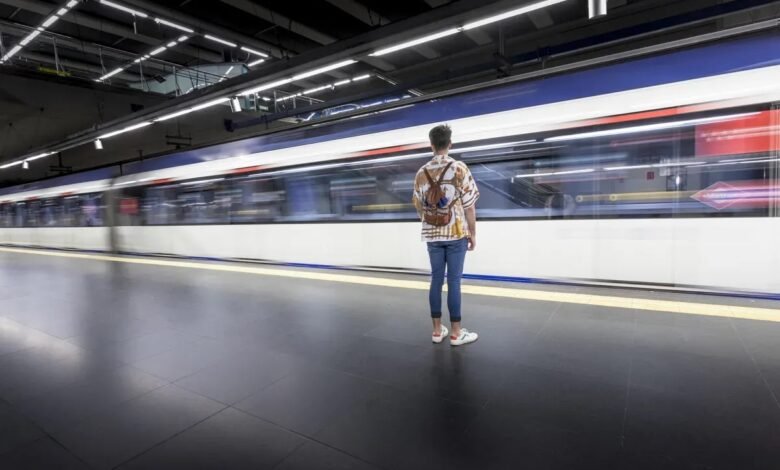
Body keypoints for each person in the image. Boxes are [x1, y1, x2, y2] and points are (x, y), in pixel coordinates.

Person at [413, 124, 480, 346]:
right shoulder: (459, 168)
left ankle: (436, 330)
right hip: (456, 234)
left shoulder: (421, 173)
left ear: (431, 145)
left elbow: (418, 206)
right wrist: (472, 233)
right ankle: (456, 333)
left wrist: (431, 219)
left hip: (432, 235)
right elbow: (470, 206)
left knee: (435, 280)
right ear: (449, 143)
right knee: (454, 282)